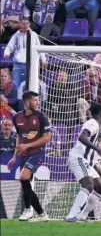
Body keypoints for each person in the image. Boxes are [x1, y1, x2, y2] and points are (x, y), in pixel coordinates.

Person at [7, 91, 51, 221]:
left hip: (37, 153)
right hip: (24, 154)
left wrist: (28, 145)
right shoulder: (17, 118)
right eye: (35, 100)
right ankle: (42, 214)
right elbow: (19, 137)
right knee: (24, 184)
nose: (37, 102)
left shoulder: (41, 117)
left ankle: (27, 210)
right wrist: (15, 156)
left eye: (37, 100)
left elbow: (47, 138)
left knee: (23, 177)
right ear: (27, 102)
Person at [65, 103, 101, 222]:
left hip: (87, 161)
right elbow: (82, 137)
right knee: (88, 185)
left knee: (100, 186)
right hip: (78, 157)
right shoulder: (92, 123)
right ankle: (71, 215)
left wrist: (95, 166)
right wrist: (99, 149)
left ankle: (82, 216)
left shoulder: (95, 124)